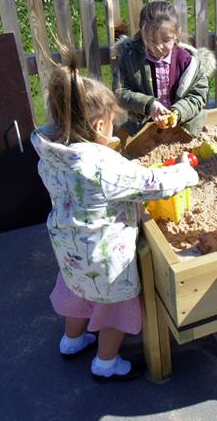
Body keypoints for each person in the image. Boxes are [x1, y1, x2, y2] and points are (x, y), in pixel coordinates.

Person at [31, 48, 199, 381]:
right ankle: (106, 364)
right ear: (97, 125)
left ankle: (72, 341)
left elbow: (96, 187)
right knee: (112, 310)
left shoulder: (51, 154)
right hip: (106, 260)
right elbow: (150, 183)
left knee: (76, 292)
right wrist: (184, 172)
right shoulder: (102, 166)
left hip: (71, 250)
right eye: (111, 123)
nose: (114, 129)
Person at [113, 1, 215, 137]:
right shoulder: (130, 57)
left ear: (176, 34)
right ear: (142, 36)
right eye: (151, 41)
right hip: (142, 128)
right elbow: (119, 92)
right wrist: (149, 105)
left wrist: (178, 112)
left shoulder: (189, 62)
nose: (158, 47)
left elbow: (197, 96)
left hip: (183, 127)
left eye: (165, 40)